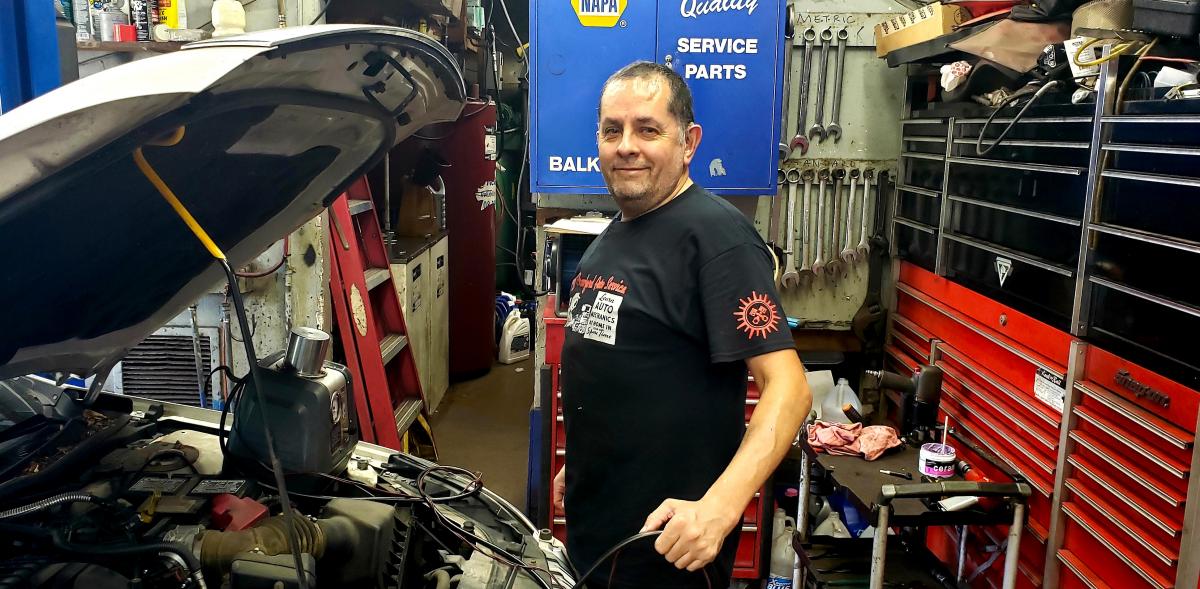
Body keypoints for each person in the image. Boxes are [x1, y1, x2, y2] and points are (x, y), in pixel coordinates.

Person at [553, 61, 812, 588]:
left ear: (689, 142)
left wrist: (719, 509)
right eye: (612, 130)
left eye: (648, 130)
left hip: (669, 549)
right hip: (600, 534)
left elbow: (790, 389)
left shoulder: (717, 238)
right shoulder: (617, 232)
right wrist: (584, 462)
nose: (626, 146)